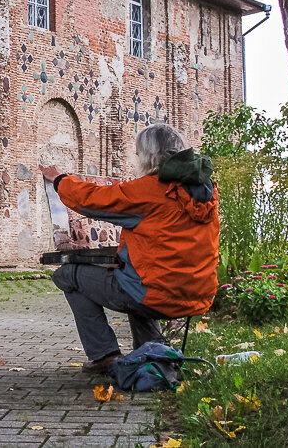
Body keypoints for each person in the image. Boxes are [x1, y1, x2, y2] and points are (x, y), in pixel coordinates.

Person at [39, 123, 219, 373]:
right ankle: (152, 351)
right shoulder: (205, 191)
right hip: (198, 295)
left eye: (138, 153)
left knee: (67, 275)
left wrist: (60, 179)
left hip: (158, 294)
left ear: (149, 156)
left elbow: (91, 200)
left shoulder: (151, 189)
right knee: (139, 279)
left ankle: (105, 355)